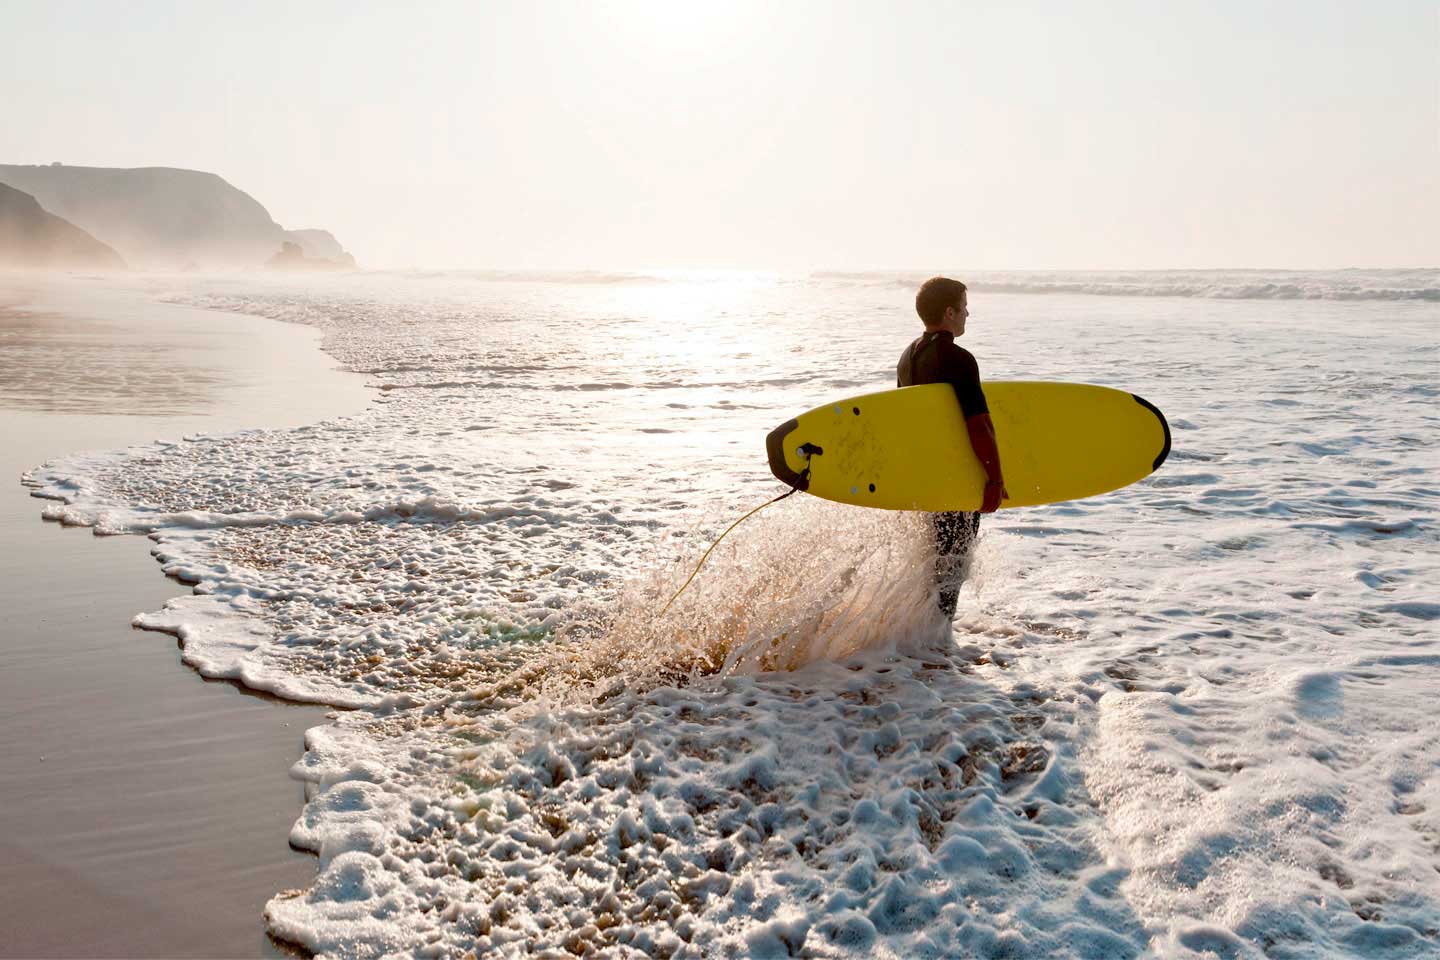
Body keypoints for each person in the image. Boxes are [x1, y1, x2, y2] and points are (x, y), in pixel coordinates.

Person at [897, 277, 1008, 618]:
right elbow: (978, 424)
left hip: (925, 477)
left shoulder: (908, 356)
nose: (967, 314)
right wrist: (994, 478)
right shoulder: (958, 359)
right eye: (963, 307)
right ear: (949, 312)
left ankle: (921, 642)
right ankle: (938, 647)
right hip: (956, 478)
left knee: (933, 563)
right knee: (952, 568)